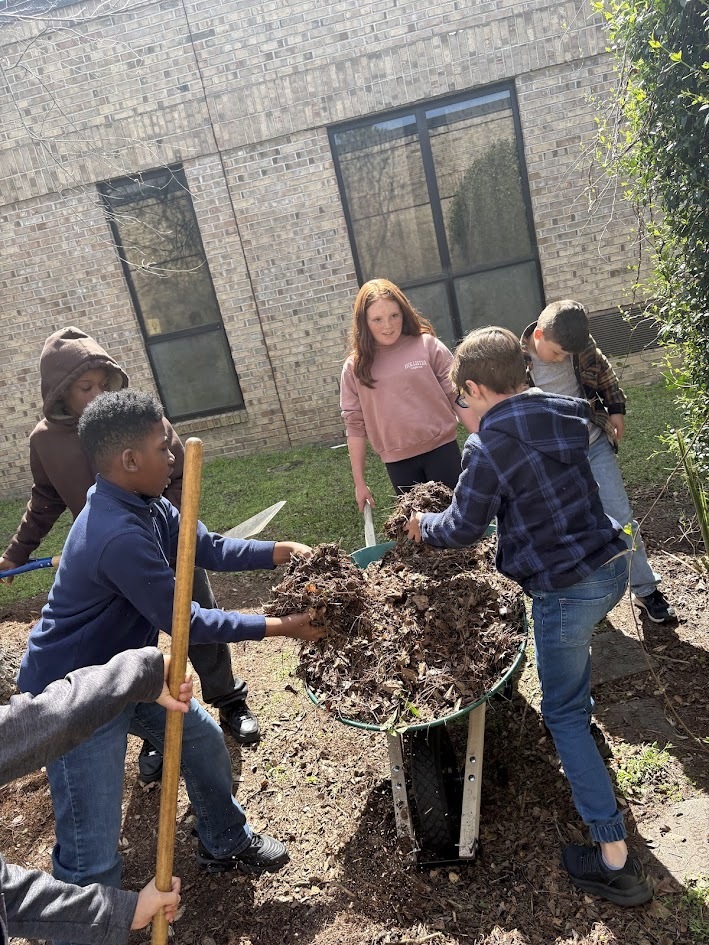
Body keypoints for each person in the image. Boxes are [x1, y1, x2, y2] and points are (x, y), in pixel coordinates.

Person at [17, 388, 325, 931]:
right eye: (164, 447)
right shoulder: (116, 535)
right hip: (71, 699)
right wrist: (283, 627)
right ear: (130, 459)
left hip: (126, 676)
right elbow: (187, 623)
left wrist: (282, 551)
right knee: (92, 848)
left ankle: (224, 839)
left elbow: (208, 547)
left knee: (201, 741)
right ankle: (85, 930)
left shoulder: (146, 503)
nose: (174, 455)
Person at [404, 327, 652, 907]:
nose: (462, 408)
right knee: (573, 677)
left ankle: (614, 859)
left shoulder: (487, 447)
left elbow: (462, 526)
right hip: (609, 567)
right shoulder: (564, 411)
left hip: (565, 591)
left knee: (561, 713)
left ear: (474, 389)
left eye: (461, 398)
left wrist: (423, 525)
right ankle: (584, 724)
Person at [0, 327, 262, 787]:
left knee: (196, 621)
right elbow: (45, 499)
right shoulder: (46, 442)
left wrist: (166, 529)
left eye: (104, 383)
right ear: (61, 393)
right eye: (86, 388)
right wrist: (15, 554)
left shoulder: (136, 420)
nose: (98, 395)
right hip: (112, 563)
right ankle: (156, 733)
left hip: (167, 543)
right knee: (133, 649)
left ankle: (228, 699)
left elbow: (177, 472)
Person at [1, 646, 189, 945]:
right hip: (71, 680)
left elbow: (32, 725)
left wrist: (123, 913)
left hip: (114, 690)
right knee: (91, 861)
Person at [521, 301, 675, 624]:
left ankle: (646, 589)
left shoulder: (582, 345)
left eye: (568, 355)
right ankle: (588, 598)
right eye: (558, 353)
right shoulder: (517, 363)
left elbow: (604, 374)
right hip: (555, 461)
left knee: (622, 517)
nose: (562, 359)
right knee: (573, 526)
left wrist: (616, 409)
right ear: (539, 335)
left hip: (593, 444)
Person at [340, 278, 477, 512]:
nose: (388, 325)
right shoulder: (355, 367)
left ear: (403, 312)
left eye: (394, 315)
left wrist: (482, 437)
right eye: (377, 319)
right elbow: (354, 426)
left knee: (460, 518)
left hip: (442, 451)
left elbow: (457, 396)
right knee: (419, 529)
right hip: (398, 463)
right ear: (364, 322)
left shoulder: (427, 346)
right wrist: (359, 483)